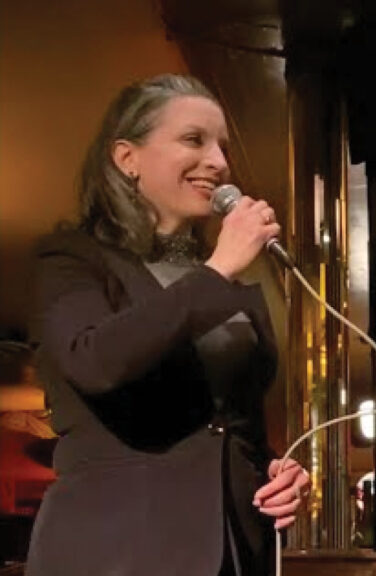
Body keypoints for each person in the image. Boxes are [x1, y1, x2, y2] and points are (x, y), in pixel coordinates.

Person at [26, 74, 310, 575]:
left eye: (221, 145)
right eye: (193, 140)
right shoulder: (72, 259)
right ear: (126, 158)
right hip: (116, 547)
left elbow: (222, 420)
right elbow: (95, 361)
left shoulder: (225, 275)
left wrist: (269, 471)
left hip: (234, 546)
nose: (220, 162)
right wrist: (218, 269)